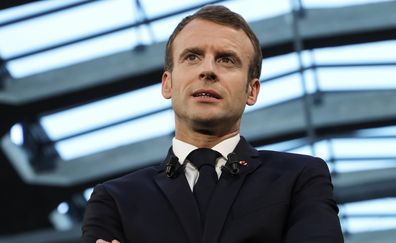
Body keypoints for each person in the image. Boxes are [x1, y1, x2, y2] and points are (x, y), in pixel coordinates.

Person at [81, 5, 343, 243]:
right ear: (167, 83)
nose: (208, 70)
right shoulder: (115, 199)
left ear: (252, 91)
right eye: (192, 57)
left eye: (226, 59)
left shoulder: (299, 178)